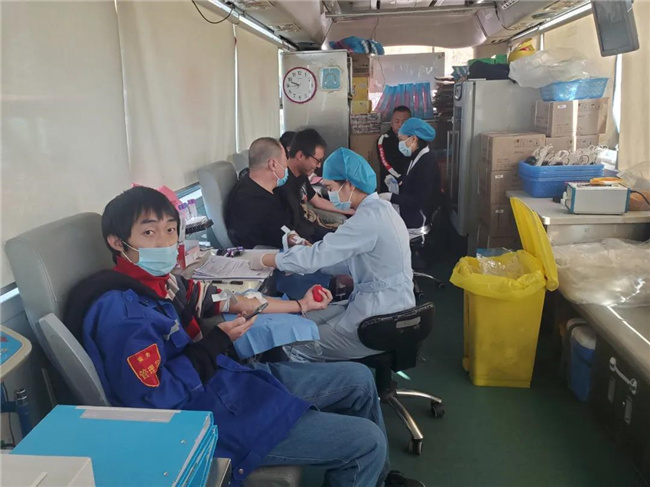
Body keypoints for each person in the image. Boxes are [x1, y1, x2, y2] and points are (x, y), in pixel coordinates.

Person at [64, 186, 423, 487]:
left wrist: (299, 305)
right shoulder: (122, 315)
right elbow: (152, 402)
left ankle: (376, 478)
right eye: (149, 233)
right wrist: (214, 345)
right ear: (117, 241)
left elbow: (222, 299)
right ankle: (365, 464)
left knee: (359, 379)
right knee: (366, 441)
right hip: (207, 414)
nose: (165, 242)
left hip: (225, 382)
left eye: (171, 230)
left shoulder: (164, 283)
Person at [251, 148, 416, 362]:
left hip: (379, 319)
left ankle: (330, 382)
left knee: (292, 342)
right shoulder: (381, 209)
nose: (329, 194)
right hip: (386, 304)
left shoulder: (367, 220)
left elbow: (317, 257)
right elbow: (346, 261)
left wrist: (266, 259)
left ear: (349, 184)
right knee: (302, 320)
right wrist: (312, 257)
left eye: (330, 188)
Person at [276, 129, 353, 240]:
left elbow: (317, 201)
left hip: (308, 228)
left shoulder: (302, 175)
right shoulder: (283, 183)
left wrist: (349, 210)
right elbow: (295, 228)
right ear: (300, 155)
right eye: (317, 160)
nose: (319, 166)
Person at [224, 137, 295, 248]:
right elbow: (281, 234)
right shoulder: (253, 203)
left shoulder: (251, 185)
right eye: (285, 161)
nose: (287, 167)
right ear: (273, 165)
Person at [379, 117, 441, 230]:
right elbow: (411, 183)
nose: (400, 144)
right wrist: (396, 184)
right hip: (409, 217)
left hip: (419, 222)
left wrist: (391, 197)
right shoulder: (414, 157)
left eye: (401, 140)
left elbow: (420, 199)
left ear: (413, 139)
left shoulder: (427, 162)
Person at [377, 106, 412, 193]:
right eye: (397, 122)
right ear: (391, 124)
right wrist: (401, 178)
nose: (400, 125)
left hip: (412, 184)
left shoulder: (415, 140)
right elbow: (385, 163)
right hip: (391, 186)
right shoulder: (384, 140)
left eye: (404, 122)